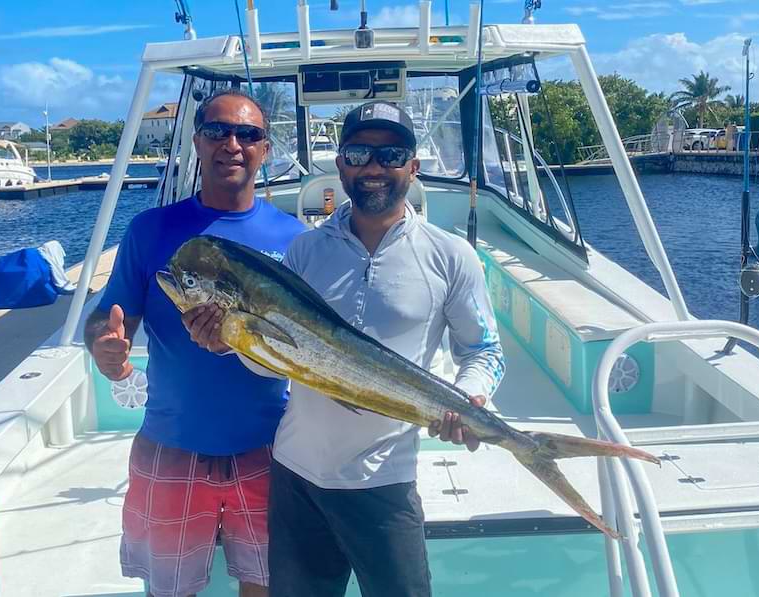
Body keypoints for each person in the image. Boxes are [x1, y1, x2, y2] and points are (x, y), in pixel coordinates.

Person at [269, 101, 504, 596]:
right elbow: (271, 351)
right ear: (340, 166)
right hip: (296, 477)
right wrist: (224, 340)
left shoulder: (450, 255)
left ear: (413, 167)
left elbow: (484, 350)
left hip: (385, 481)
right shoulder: (304, 251)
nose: (373, 168)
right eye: (358, 154)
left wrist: (469, 400)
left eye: (390, 154)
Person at [84, 88, 305, 597]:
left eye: (248, 134)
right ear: (197, 142)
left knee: (268, 587)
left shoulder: (295, 239)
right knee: (170, 588)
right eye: (217, 131)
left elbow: (302, 346)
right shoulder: (150, 230)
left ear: (265, 149)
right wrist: (106, 345)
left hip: (272, 448)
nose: (233, 143)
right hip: (171, 444)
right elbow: (108, 316)